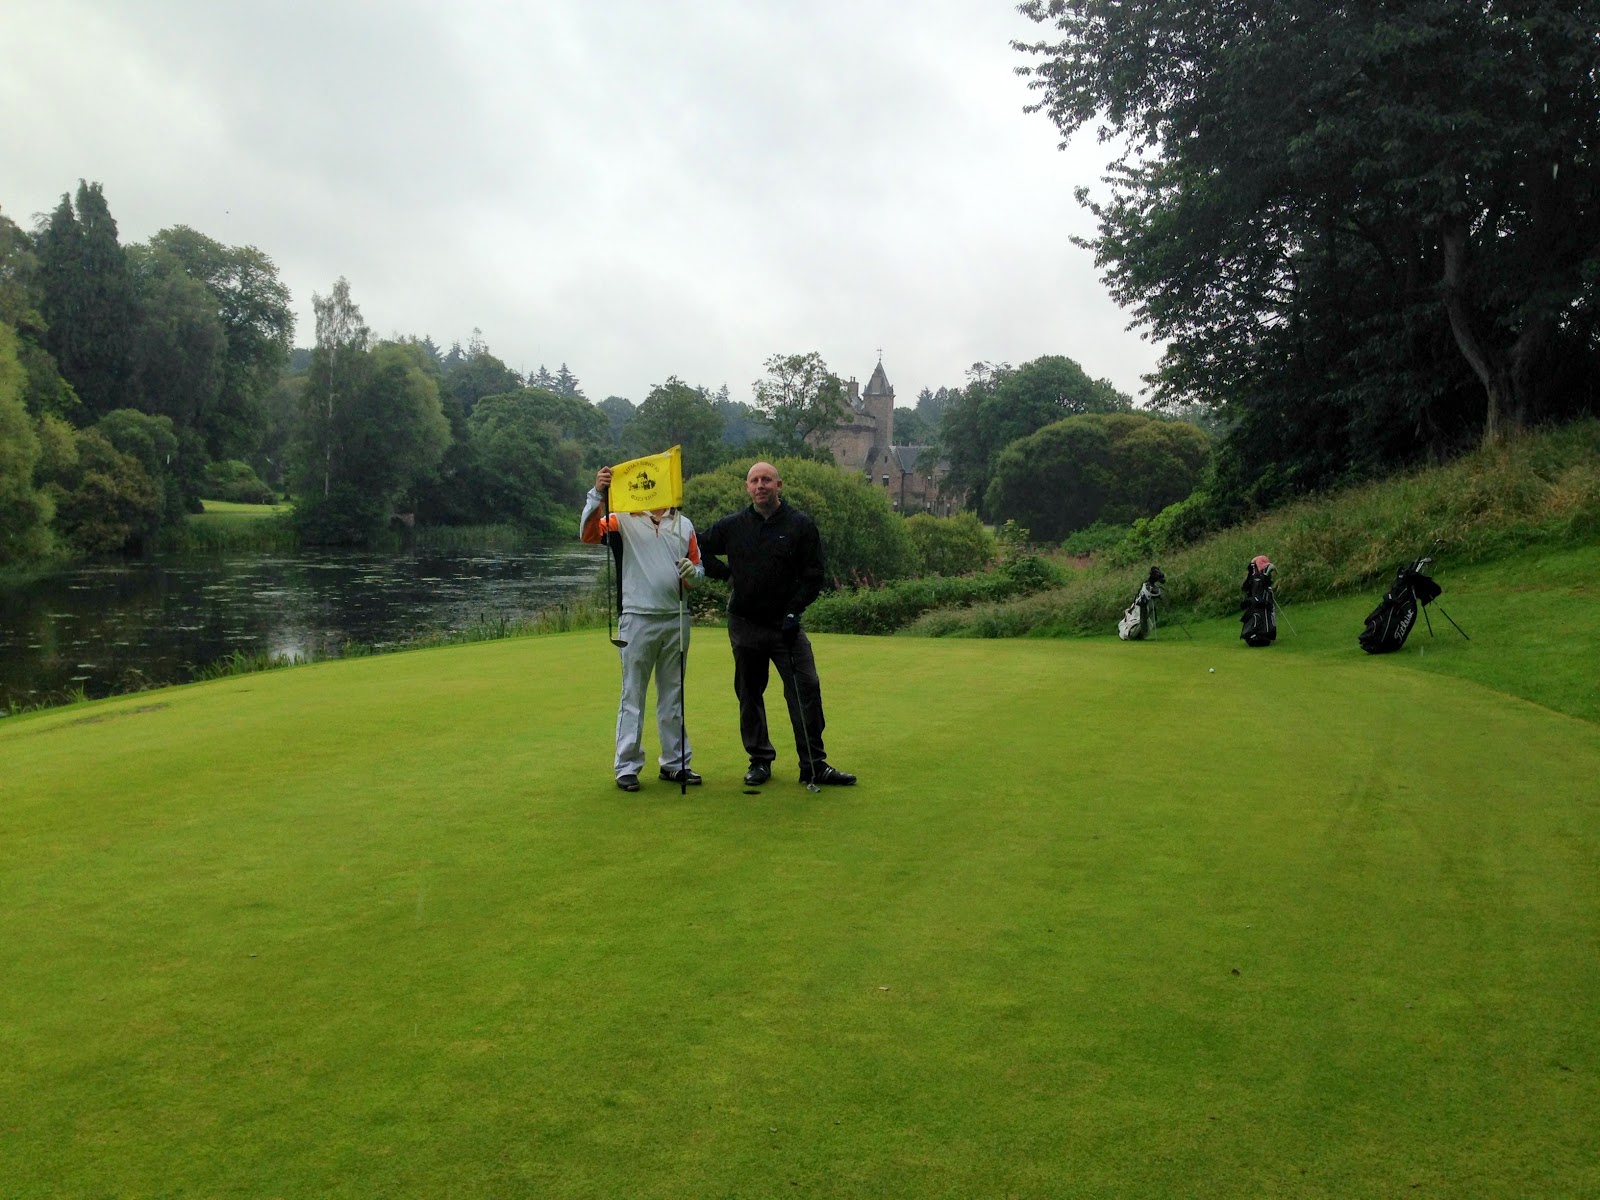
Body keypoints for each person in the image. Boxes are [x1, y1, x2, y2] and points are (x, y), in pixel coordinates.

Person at [698, 461, 856, 787]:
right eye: (754, 481)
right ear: (747, 487)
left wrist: (794, 611)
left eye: (767, 480)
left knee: (806, 688)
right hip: (745, 622)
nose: (761, 485)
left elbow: (813, 575)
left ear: (778, 485)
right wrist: (725, 574)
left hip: (785, 626)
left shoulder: (800, 525)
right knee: (749, 692)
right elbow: (697, 546)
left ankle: (813, 764)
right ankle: (759, 761)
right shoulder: (733, 526)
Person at [580, 466, 704, 792]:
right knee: (633, 695)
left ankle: (676, 763)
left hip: (677, 617)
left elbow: (697, 573)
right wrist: (598, 494)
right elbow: (588, 534)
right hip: (636, 616)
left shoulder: (684, 524)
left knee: (673, 696)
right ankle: (627, 766)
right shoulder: (623, 518)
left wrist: (693, 573)